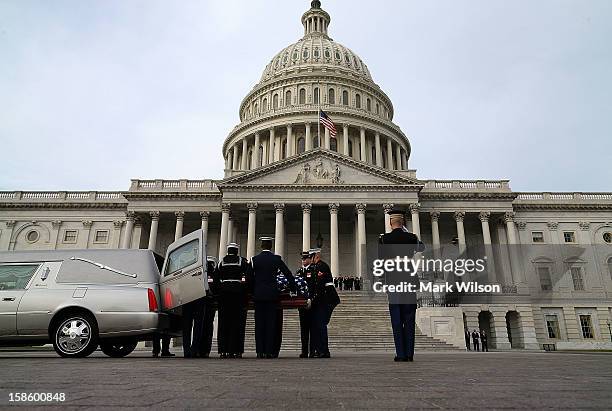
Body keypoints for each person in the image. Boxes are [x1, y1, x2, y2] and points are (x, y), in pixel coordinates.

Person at [379, 208, 425, 362]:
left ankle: (400, 353)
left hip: (393, 280)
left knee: (396, 318)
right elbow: (422, 247)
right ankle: (410, 353)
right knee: (409, 317)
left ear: (390, 223)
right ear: (403, 222)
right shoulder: (411, 237)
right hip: (409, 280)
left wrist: (381, 281)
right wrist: (408, 232)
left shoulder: (384, 239)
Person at [250, 236, 295, 359]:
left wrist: (251, 291)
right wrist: (293, 288)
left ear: (261, 246)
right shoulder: (276, 259)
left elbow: (249, 278)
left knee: (259, 324)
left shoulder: (255, 260)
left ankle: (260, 351)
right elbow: (288, 274)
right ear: (271, 246)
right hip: (272, 295)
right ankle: (269, 351)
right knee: (271, 324)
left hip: (258, 295)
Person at [216, 243, 250, 358]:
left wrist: (220, 291)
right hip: (238, 294)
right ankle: (236, 350)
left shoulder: (221, 262)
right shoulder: (242, 262)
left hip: (224, 294)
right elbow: (248, 278)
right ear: (236, 251)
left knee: (223, 322)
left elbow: (216, 279)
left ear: (228, 251)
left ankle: (223, 350)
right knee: (238, 323)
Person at [309, 248, 340, 358]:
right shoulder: (317, 267)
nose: (309, 259)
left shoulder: (321, 266)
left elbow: (320, 285)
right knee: (320, 325)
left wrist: (313, 299)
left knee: (321, 325)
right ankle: (321, 349)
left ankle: (323, 351)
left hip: (326, 299)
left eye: (311, 257)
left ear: (316, 256)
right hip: (323, 299)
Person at [198, 257, 219, 358]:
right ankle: (205, 350)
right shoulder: (212, 275)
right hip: (209, 304)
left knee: (203, 327)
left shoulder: (204, 275)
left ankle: (201, 349)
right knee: (207, 327)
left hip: (205, 304)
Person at [296, 251, 314, 358]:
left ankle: (312, 350)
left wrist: (311, 299)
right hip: (302, 304)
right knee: (304, 329)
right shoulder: (299, 272)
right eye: (302, 259)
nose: (303, 261)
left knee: (313, 328)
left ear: (310, 259)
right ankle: (304, 350)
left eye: (305, 259)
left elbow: (313, 286)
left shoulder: (314, 271)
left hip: (311, 303)